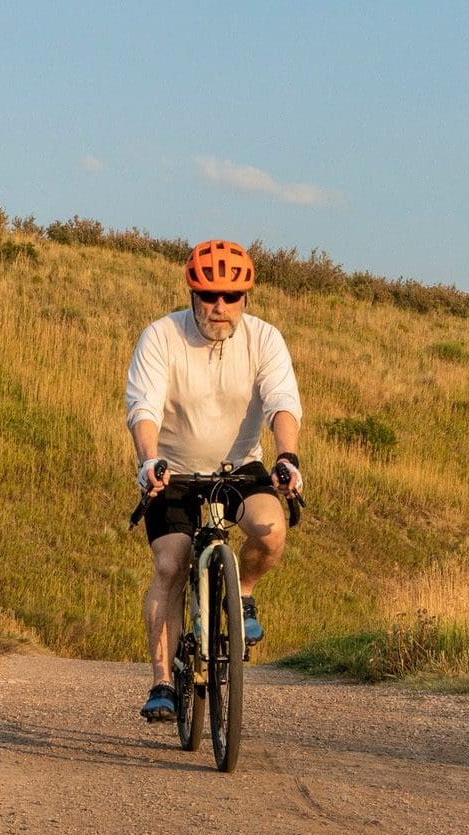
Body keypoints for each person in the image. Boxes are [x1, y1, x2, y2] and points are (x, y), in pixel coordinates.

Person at [126, 239, 303, 722]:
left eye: (230, 296)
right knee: (171, 563)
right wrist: (148, 460)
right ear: (192, 294)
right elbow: (143, 405)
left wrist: (286, 457)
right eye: (208, 295)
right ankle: (163, 681)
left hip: (238, 469)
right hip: (174, 471)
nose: (218, 306)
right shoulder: (162, 336)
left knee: (272, 531)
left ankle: (241, 593)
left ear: (246, 297)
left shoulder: (265, 339)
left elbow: (281, 402)